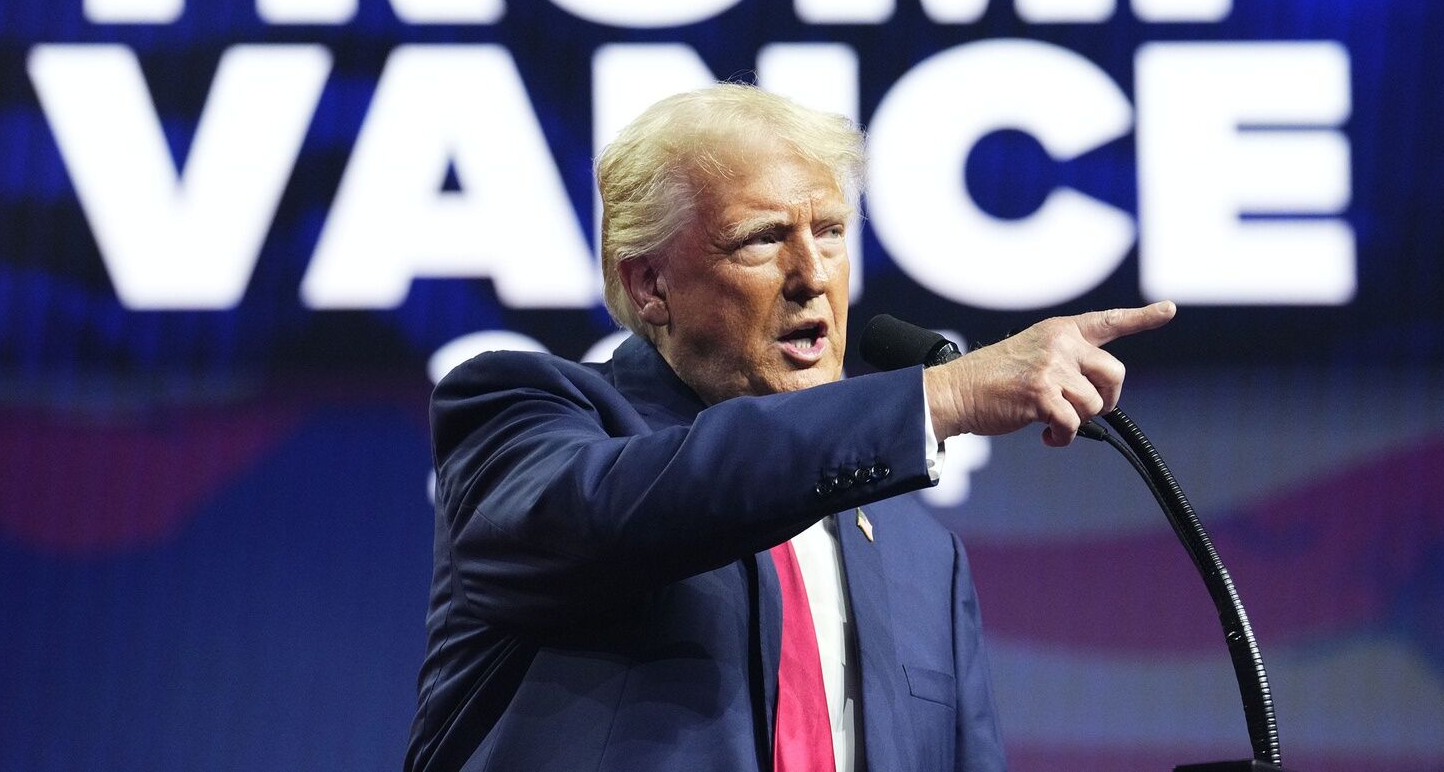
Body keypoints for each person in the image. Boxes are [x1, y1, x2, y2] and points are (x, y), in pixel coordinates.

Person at [404, 85, 1175, 772]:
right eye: (763, 238)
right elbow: (636, 504)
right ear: (651, 284)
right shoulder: (521, 412)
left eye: (832, 231)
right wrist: (938, 396)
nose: (813, 275)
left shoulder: (921, 558)